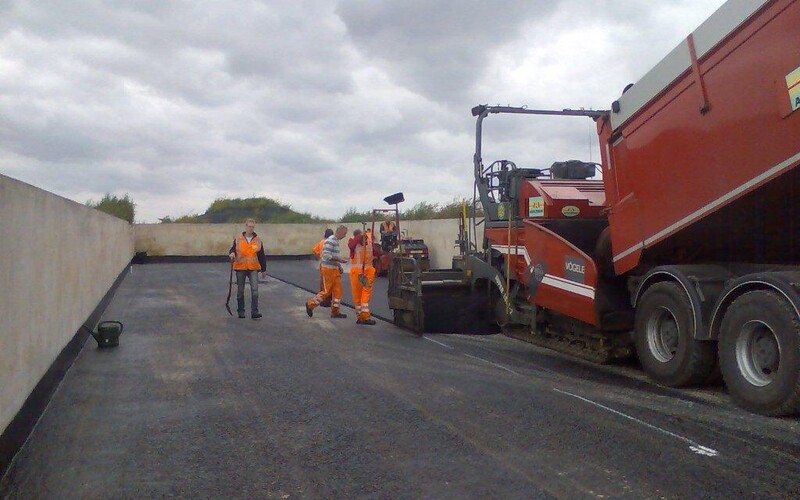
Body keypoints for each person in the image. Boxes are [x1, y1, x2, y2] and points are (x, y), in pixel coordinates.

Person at [306, 225, 348, 319]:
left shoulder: (335, 241)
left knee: (338, 291)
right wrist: (339, 260)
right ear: (340, 231)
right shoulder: (330, 240)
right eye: (344, 233)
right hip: (328, 269)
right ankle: (310, 304)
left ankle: (335, 311)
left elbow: (332, 255)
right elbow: (326, 255)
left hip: (334, 269)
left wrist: (339, 266)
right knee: (326, 291)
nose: (345, 236)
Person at [228, 218, 267, 319]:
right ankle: (241, 311)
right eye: (249, 226)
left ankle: (255, 311)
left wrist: (263, 269)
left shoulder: (258, 240)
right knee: (240, 290)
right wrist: (232, 253)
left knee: (255, 290)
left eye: (252, 227)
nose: (251, 229)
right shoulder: (238, 238)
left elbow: (261, 255)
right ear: (246, 226)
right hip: (241, 268)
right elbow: (233, 249)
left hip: (253, 268)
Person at [349, 229, 377, 325]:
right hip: (362, 271)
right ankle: (363, 317)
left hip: (363, 271)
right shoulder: (354, 240)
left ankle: (361, 316)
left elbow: (376, 251)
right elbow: (351, 246)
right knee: (362, 294)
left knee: (361, 294)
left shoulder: (369, 240)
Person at [313, 228, 334, 307]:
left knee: (323, 284)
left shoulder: (321, 242)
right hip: (330, 265)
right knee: (329, 284)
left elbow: (315, 250)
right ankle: (326, 301)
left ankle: (323, 301)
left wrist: (320, 255)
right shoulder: (331, 243)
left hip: (322, 264)